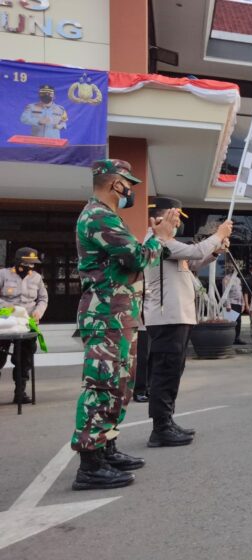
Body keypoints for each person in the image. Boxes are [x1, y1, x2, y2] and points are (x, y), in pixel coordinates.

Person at [70, 158, 179, 491]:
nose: (130, 189)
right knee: (102, 385)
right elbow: (136, 258)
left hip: (118, 314)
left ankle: (107, 448)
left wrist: (155, 238)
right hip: (105, 315)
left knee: (120, 386)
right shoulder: (98, 216)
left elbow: (133, 256)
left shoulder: (108, 216)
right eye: (127, 182)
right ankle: (90, 464)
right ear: (113, 182)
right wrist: (159, 237)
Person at [144, 197, 232, 448]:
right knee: (164, 373)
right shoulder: (156, 242)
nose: (177, 225)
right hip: (167, 318)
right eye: (175, 219)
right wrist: (218, 234)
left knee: (173, 371)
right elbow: (193, 252)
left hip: (177, 317)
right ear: (159, 218)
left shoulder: (168, 244)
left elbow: (192, 262)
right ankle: (160, 429)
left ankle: (167, 422)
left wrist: (215, 250)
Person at [0, 247, 48, 404]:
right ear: (19, 262)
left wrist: (39, 312)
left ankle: (20, 392)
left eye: (33, 264)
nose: (31, 267)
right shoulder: (3, 274)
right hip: (6, 322)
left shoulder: (36, 278)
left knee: (24, 358)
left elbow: (43, 298)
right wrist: (8, 308)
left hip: (27, 322)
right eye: (28, 263)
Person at [223, 262, 245, 345]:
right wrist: (228, 304)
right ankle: (230, 339)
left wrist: (243, 304)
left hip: (238, 303)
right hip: (231, 303)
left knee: (238, 322)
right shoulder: (226, 279)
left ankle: (237, 338)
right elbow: (225, 292)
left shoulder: (238, 279)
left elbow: (240, 292)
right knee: (231, 322)